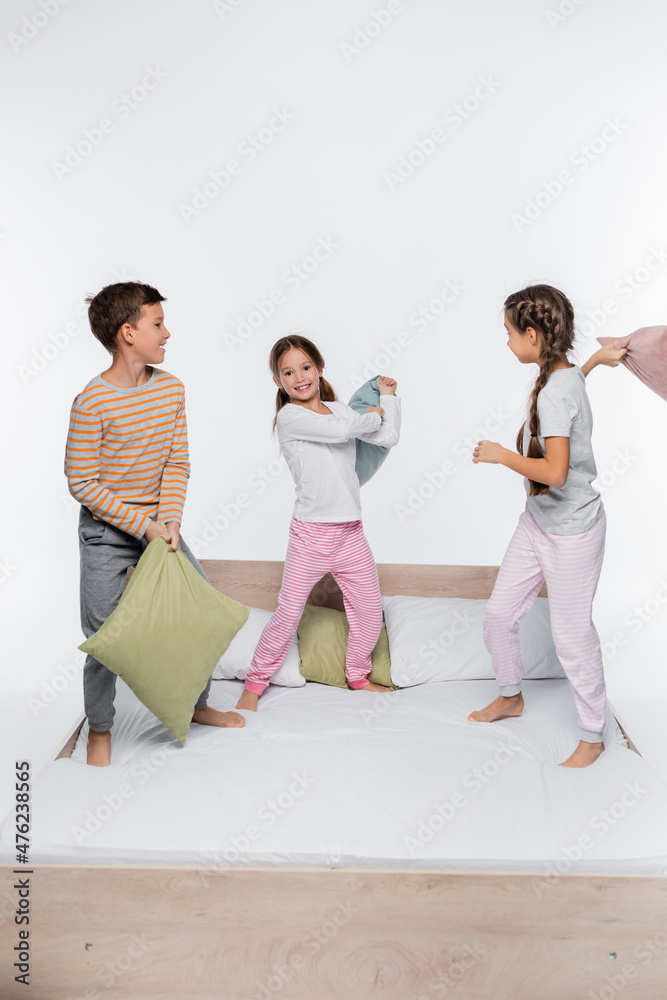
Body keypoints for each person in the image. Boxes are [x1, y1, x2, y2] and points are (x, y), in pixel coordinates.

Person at [65, 282, 245, 767]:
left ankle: (197, 704)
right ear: (128, 333)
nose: (168, 333)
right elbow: (82, 483)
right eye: (158, 324)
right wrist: (140, 526)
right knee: (107, 637)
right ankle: (100, 727)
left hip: (159, 527)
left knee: (199, 614)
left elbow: (176, 464)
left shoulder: (171, 389)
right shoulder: (92, 403)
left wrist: (167, 523)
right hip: (108, 532)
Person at [467, 284, 627, 768]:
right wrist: (599, 359)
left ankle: (593, 734)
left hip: (574, 532)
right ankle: (511, 695)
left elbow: (555, 473)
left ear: (533, 335)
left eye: (509, 333)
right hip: (538, 523)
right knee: (498, 616)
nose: (507, 342)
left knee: (572, 637)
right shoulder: (561, 373)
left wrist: (502, 456)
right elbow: (574, 380)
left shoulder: (555, 392)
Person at [235, 335, 401, 712]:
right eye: (288, 372)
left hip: (350, 533)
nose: (299, 377)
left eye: (305, 367)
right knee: (288, 612)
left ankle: (357, 675)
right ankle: (254, 684)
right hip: (311, 535)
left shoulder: (340, 409)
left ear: (319, 369)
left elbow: (389, 436)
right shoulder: (291, 417)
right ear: (279, 382)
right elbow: (343, 432)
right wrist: (373, 414)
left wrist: (388, 398)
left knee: (369, 611)